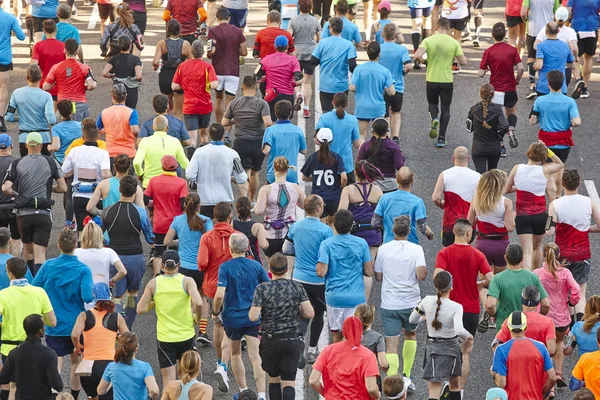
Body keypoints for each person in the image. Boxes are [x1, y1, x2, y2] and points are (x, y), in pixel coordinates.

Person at [32, 229, 94, 400]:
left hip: (54, 324)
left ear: (58, 245)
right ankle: (73, 396)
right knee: (76, 362)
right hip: (76, 324)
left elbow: (35, 287)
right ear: (75, 245)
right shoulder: (83, 269)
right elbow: (87, 297)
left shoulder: (48, 266)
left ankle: (55, 395)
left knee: (55, 362)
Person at [434, 219, 493, 395]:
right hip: (471, 310)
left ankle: (448, 383)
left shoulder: (444, 253)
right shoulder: (477, 254)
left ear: (454, 232)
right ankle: (459, 391)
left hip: (449, 309)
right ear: (468, 234)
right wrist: (479, 284)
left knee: (447, 348)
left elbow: (437, 278)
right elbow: (491, 278)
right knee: (465, 352)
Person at [250, 253, 314, 400]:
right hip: (291, 339)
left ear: (270, 269)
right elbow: (309, 312)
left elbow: (253, 316)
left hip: (270, 340)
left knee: (273, 379)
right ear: (287, 269)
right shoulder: (296, 287)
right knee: (289, 381)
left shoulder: (262, 288)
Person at [2, 132, 67, 274]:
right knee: (40, 254)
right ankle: (39, 285)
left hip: (23, 214)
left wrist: (16, 194)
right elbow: (63, 187)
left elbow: (6, 188)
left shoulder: (17, 163)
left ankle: (26, 281)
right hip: (43, 213)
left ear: (26, 145)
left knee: (27, 252)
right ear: (40, 145)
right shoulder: (51, 162)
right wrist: (50, 188)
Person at [213, 233, 269, 399]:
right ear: (246, 249)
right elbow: (266, 288)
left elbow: (219, 295)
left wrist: (216, 312)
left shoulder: (225, 267)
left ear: (230, 249)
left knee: (235, 354)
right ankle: (261, 394)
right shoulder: (256, 266)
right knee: (255, 356)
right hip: (252, 317)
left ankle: (244, 391)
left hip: (231, 318)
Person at [137, 250, 203, 388]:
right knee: (186, 378)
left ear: (162, 265)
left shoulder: (154, 283)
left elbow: (140, 309)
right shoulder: (187, 281)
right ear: (179, 264)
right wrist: (197, 317)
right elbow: (198, 302)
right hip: (186, 335)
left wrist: (155, 302)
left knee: (169, 382)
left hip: (165, 338)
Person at [374, 215, 425, 387]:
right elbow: (421, 275)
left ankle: (392, 382)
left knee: (391, 344)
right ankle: (407, 376)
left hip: (390, 303)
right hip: (411, 304)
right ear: (409, 231)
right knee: (410, 335)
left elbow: (378, 277)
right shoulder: (417, 249)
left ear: (393, 230)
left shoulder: (383, 249)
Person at [282, 195, 332, 363]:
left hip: (299, 278)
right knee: (318, 313)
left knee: (302, 313)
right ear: (318, 209)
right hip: (318, 280)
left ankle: (300, 340)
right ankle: (312, 350)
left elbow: (286, 248)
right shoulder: (325, 230)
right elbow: (329, 255)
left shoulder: (295, 227)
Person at [409, 270, 473, 400]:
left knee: (434, 392)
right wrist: (469, 336)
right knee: (454, 386)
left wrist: (425, 318)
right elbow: (460, 330)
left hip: (433, 347)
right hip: (452, 348)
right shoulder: (456, 307)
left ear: (435, 286)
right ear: (451, 287)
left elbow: (412, 319)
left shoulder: (426, 301)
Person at [101, 175, 154, 329]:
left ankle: (117, 327)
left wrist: (109, 242)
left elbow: (100, 236)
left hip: (116, 258)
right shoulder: (140, 212)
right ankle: (128, 327)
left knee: (118, 296)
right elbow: (150, 238)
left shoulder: (107, 211)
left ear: (119, 189)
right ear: (136, 193)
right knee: (133, 293)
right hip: (136, 257)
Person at [547, 170, 600, 324]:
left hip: (562, 255)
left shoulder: (555, 204)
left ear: (562, 184)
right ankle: (580, 325)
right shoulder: (588, 202)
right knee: (580, 291)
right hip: (582, 253)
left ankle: (567, 324)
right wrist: (586, 229)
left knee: (564, 290)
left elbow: (549, 230)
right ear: (579, 183)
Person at [0, 257, 55, 400]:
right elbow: (52, 321)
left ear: (11, 274)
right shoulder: (39, 292)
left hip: (10, 348)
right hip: (36, 348)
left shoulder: (3, 294)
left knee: (14, 386)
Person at [197, 201, 238, 391]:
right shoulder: (237, 237)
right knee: (230, 328)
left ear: (215, 217)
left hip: (212, 287)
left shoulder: (207, 237)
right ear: (230, 216)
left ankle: (219, 360)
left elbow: (202, 263)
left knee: (218, 324)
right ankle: (223, 366)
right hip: (233, 288)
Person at [504, 141, 563, 269]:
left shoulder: (517, 168)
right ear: (543, 157)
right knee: (537, 247)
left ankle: (527, 279)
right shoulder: (545, 170)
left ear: (529, 153)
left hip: (522, 216)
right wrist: (548, 150)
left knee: (527, 251)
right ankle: (537, 274)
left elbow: (506, 189)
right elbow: (560, 164)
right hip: (540, 215)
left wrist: (519, 187)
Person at [163, 192, 213, 344]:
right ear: (199, 206)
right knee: (202, 298)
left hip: (183, 268)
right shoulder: (206, 221)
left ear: (185, 205)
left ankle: (189, 333)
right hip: (201, 267)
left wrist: (181, 241)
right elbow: (211, 242)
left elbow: (167, 241)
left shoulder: (178, 220)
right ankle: (203, 331)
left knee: (187, 299)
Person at [317, 210, 373, 343]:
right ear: (351, 225)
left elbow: (321, 272)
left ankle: (337, 363)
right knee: (355, 338)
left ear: (334, 225)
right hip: (356, 298)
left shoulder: (326, 244)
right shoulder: (361, 243)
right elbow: (369, 272)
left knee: (337, 337)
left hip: (335, 298)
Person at [533, 243, 580, 388]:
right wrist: (571, 303)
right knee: (559, 344)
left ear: (544, 256)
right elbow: (576, 290)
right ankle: (559, 373)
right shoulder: (565, 273)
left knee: (545, 348)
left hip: (543, 318)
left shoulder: (537, 274)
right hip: (561, 318)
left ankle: (549, 385)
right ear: (558, 255)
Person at [71, 282, 129, 399]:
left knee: (92, 397)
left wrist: (77, 346)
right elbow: (128, 338)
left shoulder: (84, 315)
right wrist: (118, 338)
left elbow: (75, 334)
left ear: (94, 297)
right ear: (109, 296)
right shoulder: (116, 317)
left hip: (88, 367)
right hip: (109, 364)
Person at [415, 17, 467, 148]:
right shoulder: (454, 42)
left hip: (431, 79)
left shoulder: (428, 40)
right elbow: (463, 62)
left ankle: (434, 119)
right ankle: (442, 138)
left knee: (432, 104)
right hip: (446, 80)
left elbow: (417, 55)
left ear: (437, 27)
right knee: (445, 108)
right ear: (449, 28)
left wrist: (424, 61)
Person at [530, 70, 581, 199]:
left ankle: (552, 202)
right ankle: (559, 196)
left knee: (549, 172)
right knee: (560, 168)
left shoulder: (540, 101)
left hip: (546, 141)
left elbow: (532, 121)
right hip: (563, 141)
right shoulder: (569, 102)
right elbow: (576, 122)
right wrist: (568, 124)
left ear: (548, 84)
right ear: (562, 84)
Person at [223, 76, 273, 202]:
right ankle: (252, 199)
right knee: (255, 172)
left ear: (242, 87)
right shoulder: (262, 103)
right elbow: (267, 123)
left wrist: (237, 120)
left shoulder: (234, 103)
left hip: (241, 143)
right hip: (258, 142)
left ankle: (243, 200)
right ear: (256, 87)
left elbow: (224, 122)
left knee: (243, 173)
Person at [478, 22, 523, 158]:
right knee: (511, 112)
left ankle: (501, 146)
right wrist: (517, 79)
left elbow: (481, 73)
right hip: (509, 88)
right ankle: (510, 129)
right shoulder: (512, 50)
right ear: (505, 34)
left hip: (495, 90)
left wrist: (485, 70)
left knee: (496, 117)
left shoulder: (488, 52)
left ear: (492, 35)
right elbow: (521, 67)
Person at [309, 316, 380, 399]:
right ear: (361, 332)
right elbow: (371, 388)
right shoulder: (368, 356)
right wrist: (377, 396)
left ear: (344, 332)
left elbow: (313, 380)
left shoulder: (328, 351)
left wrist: (326, 394)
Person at [186, 123, 247, 219]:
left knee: (208, 231)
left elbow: (190, 175)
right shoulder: (232, 154)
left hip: (205, 200)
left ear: (210, 135)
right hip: (225, 200)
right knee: (225, 231)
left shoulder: (199, 152)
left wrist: (199, 178)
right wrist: (231, 178)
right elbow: (242, 178)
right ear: (223, 136)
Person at [491, 311, 557, 399]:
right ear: (526, 326)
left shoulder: (501, 350)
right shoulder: (541, 347)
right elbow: (552, 377)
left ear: (508, 327)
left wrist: (493, 374)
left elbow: (502, 384)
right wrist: (544, 392)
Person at [485, 243, 550, 331]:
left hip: (505, 326)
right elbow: (546, 304)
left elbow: (490, 305)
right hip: (528, 326)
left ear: (505, 258)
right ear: (522, 259)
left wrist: (495, 314)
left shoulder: (497, 279)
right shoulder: (532, 277)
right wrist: (538, 316)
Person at [61, 122, 112, 233]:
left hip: (79, 196)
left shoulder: (74, 151)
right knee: (98, 231)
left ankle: (81, 248)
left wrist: (74, 172)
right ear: (98, 137)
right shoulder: (102, 153)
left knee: (81, 232)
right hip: (97, 198)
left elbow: (63, 172)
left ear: (83, 136)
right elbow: (106, 174)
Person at [143, 155, 188, 276]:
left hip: (159, 223)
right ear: (176, 167)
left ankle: (157, 276)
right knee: (175, 251)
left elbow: (145, 199)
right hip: (176, 224)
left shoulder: (154, 180)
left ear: (162, 166)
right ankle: (174, 275)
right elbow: (184, 204)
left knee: (159, 252)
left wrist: (154, 206)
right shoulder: (182, 183)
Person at [0, 314, 63, 399]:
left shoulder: (14, 353)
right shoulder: (49, 354)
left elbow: (3, 378)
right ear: (40, 331)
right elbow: (57, 385)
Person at [255, 157, 306, 259]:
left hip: (271, 234)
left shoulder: (266, 189)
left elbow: (258, 210)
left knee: (272, 265)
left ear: (274, 169)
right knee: (288, 265)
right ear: (287, 170)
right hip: (289, 234)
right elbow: (306, 206)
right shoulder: (296, 188)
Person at [467, 170, 515, 275]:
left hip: (483, 243)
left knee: (484, 280)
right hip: (501, 244)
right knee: (498, 279)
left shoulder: (476, 200)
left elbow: (469, 223)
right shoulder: (506, 202)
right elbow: (510, 227)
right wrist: (514, 216)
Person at [172, 40, 219, 148]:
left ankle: (191, 162)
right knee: (204, 138)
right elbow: (215, 84)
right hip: (205, 106)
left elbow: (174, 86)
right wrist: (209, 85)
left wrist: (185, 85)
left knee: (192, 141)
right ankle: (203, 162)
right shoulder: (208, 67)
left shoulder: (182, 66)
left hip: (190, 107)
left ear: (191, 52)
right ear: (202, 52)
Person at [207, 7, 247, 130]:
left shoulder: (213, 31)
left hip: (217, 71)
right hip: (233, 71)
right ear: (229, 18)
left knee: (218, 98)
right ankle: (227, 133)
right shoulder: (238, 32)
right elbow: (244, 52)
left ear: (217, 18)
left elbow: (210, 52)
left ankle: (219, 127)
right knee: (230, 103)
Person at [431, 147, 480, 246]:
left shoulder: (445, 175)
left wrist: (441, 204)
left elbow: (435, 197)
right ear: (468, 159)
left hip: (450, 224)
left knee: (449, 253)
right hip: (469, 224)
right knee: (466, 252)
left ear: (453, 158)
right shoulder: (478, 177)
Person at [372, 167, 434, 245]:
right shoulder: (417, 202)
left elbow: (375, 222)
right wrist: (430, 234)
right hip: (410, 244)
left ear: (397, 180)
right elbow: (422, 227)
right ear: (412, 181)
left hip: (389, 243)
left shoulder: (384, 198)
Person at [5, 64, 56, 156]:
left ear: (27, 77)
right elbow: (51, 120)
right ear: (40, 77)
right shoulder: (46, 96)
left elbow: (8, 117)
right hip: (43, 137)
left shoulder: (17, 93)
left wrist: (19, 117)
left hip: (25, 138)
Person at [350, 42, 395, 141]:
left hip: (362, 106)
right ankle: (378, 155)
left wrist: (360, 90)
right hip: (378, 108)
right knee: (380, 136)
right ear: (379, 54)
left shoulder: (358, 69)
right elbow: (392, 92)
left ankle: (362, 155)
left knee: (361, 135)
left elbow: (352, 87)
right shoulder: (385, 71)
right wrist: (385, 90)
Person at [43, 38, 97, 122]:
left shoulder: (56, 67)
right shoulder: (84, 68)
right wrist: (84, 87)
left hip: (63, 105)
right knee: (80, 130)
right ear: (77, 51)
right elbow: (92, 85)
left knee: (62, 130)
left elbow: (46, 87)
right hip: (79, 104)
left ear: (64, 50)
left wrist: (56, 82)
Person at [494, 286, 557, 357]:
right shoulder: (548, 323)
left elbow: (496, 346)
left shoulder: (511, 320)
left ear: (522, 300)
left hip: (514, 364)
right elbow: (552, 350)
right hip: (538, 365)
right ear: (538, 301)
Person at [311, 17, 357, 113]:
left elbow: (313, 61)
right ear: (342, 28)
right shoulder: (348, 45)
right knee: (340, 113)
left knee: (327, 114)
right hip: (341, 86)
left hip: (325, 86)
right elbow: (352, 66)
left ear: (330, 28)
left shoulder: (322, 43)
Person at [301, 128, 347, 225]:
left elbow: (304, 177)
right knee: (332, 224)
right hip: (334, 196)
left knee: (320, 224)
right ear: (331, 140)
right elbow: (344, 177)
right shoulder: (336, 157)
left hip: (318, 196)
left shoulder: (313, 157)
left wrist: (315, 178)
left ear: (317, 141)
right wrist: (341, 187)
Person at [338, 160, 384, 258]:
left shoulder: (348, 190)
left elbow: (341, 214)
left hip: (355, 232)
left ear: (355, 172)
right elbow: (383, 212)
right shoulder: (377, 190)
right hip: (373, 231)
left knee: (355, 261)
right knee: (371, 263)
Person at [97, 332, 160, 400]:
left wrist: (113, 381)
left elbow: (100, 391)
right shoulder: (144, 367)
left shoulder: (111, 367)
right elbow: (154, 391)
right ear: (137, 347)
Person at [534, 7, 582, 94]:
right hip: (562, 78)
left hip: (544, 85)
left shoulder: (542, 44)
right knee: (560, 102)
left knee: (541, 106)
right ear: (558, 32)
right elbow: (574, 49)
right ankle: (578, 79)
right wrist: (575, 58)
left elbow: (535, 46)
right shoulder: (566, 42)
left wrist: (539, 58)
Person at [316, 93, 360, 182]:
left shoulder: (324, 118)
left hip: (327, 162)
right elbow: (357, 143)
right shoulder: (352, 120)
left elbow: (317, 140)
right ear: (347, 104)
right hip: (346, 164)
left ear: (333, 103)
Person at [134, 116, 189, 188]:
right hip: (171, 185)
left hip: (150, 184)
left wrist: (140, 173)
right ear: (167, 128)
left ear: (153, 127)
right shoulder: (175, 141)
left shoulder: (145, 141)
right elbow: (185, 164)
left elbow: (137, 162)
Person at [75, 222, 127, 299]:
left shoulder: (76, 252)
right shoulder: (109, 252)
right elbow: (123, 271)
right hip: (102, 296)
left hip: (82, 295)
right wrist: (112, 281)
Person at [522, 1, 562, 98]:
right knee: (547, 58)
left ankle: (532, 86)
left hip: (533, 29)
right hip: (547, 32)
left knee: (531, 58)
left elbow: (523, 12)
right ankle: (549, 85)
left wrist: (526, 20)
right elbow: (558, 13)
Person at [288, 0, 321, 119]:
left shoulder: (293, 20)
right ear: (311, 7)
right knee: (307, 81)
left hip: (297, 53)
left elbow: (289, 37)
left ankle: (299, 93)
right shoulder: (315, 21)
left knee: (296, 78)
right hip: (310, 53)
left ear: (299, 6)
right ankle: (306, 109)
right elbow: (319, 39)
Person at [258, 35, 303, 120]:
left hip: (270, 95)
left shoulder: (266, 59)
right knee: (285, 120)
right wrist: (293, 83)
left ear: (274, 46)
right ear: (287, 46)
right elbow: (299, 80)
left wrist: (266, 78)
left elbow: (257, 77)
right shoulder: (293, 60)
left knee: (271, 121)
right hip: (287, 96)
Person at [152, 20, 191, 120]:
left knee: (166, 107)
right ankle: (177, 132)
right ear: (179, 30)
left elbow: (155, 62)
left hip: (165, 77)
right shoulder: (185, 44)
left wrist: (156, 67)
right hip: (179, 78)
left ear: (167, 29)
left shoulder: (162, 43)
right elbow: (192, 62)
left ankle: (164, 127)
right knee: (178, 111)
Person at [379, 23, 412, 141]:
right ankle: (395, 137)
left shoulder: (379, 48)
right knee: (396, 112)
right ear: (395, 35)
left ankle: (385, 137)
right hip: (397, 86)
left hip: (382, 88)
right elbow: (408, 65)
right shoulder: (402, 49)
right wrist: (403, 72)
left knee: (385, 114)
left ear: (383, 34)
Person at [261, 101, 307, 184]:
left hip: (274, 174)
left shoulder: (270, 130)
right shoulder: (297, 130)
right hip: (291, 173)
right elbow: (304, 151)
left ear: (275, 113)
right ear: (290, 113)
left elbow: (266, 150)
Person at [468, 84, 511, 172]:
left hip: (478, 147)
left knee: (480, 175)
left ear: (480, 94)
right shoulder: (497, 110)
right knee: (492, 173)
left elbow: (469, 127)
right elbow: (505, 125)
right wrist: (499, 135)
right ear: (493, 95)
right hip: (494, 147)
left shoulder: (473, 109)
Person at [357, 119, 405, 194]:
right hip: (390, 186)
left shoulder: (366, 146)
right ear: (387, 131)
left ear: (373, 131)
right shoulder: (394, 146)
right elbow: (399, 166)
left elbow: (359, 164)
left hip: (371, 185)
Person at [96, 84, 141, 164]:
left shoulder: (104, 112)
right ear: (126, 96)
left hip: (110, 152)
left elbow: (97, 131)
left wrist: (107, 129)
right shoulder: (132, 112)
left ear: (112, 97)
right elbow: (135, 130)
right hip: (128, 153)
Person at [0, 0, 25, 133]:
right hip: (4, 57)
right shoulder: (10, 17)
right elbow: (21, 36)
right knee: (3, 88)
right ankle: (0, 118)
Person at [567, 0, 600, 98]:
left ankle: (578, 80)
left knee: (576, 56)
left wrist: (569, 20)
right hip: (592, 27)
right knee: (589, 58)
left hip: (577, 27)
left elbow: (568, 11)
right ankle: (585, 87)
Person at [101, 35, 142, 109]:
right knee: (130, 110)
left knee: (117, 110)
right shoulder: (135, 59)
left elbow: (104, 73)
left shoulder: (114, 58)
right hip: (131, 88)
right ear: (130, 46)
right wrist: (139, 80)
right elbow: (139, 76)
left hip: (118, 88)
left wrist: (112, 76)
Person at [30, 19, 65, 105]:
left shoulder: (38, 46)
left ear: (44, 30)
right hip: (60, 86)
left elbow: (33, 66)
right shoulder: (63, 46)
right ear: (56, 30)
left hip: (44, 85)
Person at [354, 304, 388, 387]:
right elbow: (382, 363)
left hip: (352, 374)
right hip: (370, 375)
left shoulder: (348, 335)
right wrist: (386, 366)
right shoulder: (377, 337)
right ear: (371, 319)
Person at [233, 197, 268, 264]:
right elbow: (263, 245)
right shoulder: (257, 226)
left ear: (236, 210)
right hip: (253, 260)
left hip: (236, 260)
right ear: (250, 208)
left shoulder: (231, 224)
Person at [51, 100, 83, 166]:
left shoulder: (56, 128)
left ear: (59, 112)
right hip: (78, 158)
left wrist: (50, 147)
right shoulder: (81, 125)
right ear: (71, 111)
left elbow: (56, 147)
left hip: (61, 159)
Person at [0, 137, 17, 256]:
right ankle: (15, 266)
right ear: (11, 146)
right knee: (16, 238)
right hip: (15, 205)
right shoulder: (17, 162)